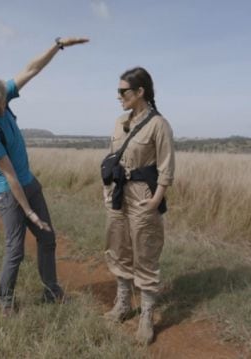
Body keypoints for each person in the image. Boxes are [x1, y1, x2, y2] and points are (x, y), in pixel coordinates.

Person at [0, 36, 89, 315]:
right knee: (16, 249)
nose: (1, 107)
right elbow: (8, 175)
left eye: (2, 100)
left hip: (29, 183)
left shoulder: (1, 94)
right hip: (9, 192)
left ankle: (51, 291)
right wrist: (29, 213)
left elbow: (31, 69)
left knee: (47, 239)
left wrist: (58, 45)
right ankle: (5, 302)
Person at [102, 67, 175, 344]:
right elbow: (110, 158)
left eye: (124, 91)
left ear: (140, 91)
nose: (119, 96)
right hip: (118, 193)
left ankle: (146, 315)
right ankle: (123, 304)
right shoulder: (120, 121)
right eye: (118, 91)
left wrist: (156, 199)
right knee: (118, 247)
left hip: (144, 194)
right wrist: (107, 189)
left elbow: (167, 166)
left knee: (145, 251)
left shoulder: (159, 124)